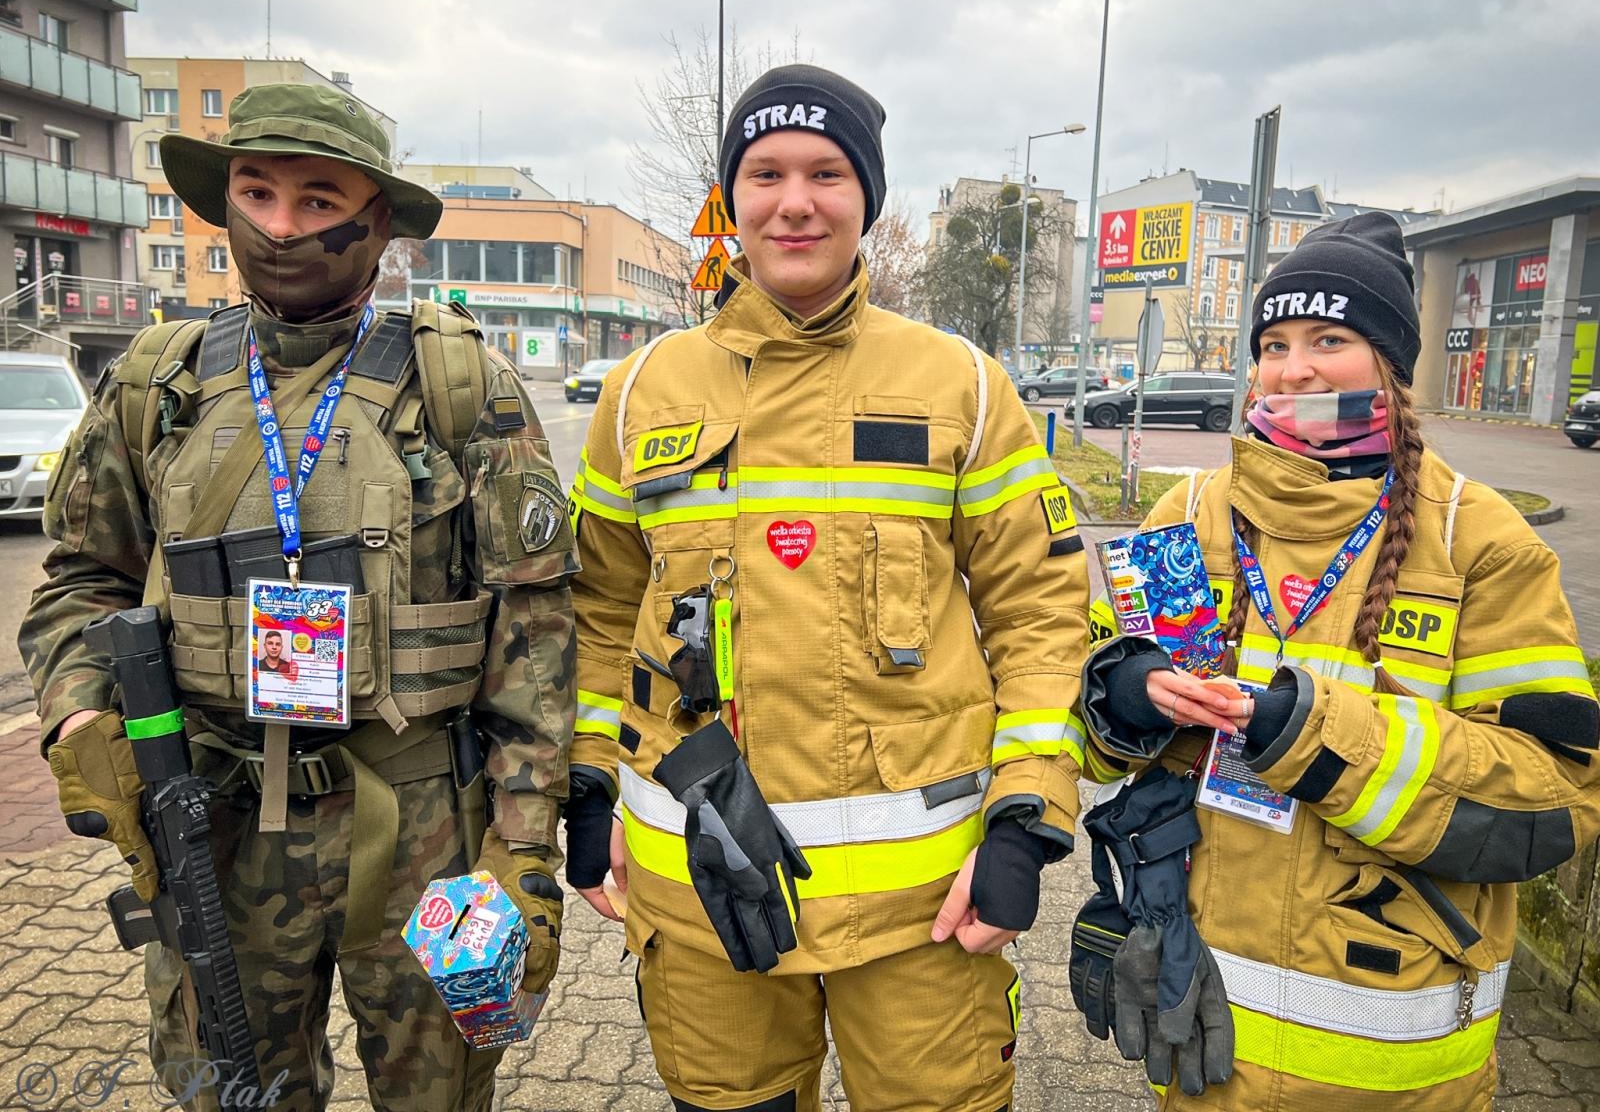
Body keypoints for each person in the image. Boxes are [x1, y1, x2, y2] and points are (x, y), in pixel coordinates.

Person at [19, 84, 577, 1111]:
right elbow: (81, 578)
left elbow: (533, 632)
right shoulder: (156, 384)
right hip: (216, 821)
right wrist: (79, 708)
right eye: (257, 193)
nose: (281, 227)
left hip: (420, 828)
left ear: (378, 222)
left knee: (441, 1097)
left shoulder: (459, 386)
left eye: (319, 200)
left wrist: (526, 841)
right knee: (233, 1091)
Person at [562, 63, 1091, 1111]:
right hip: (702, 894)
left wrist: (1026, 816)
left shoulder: (962, 386)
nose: (794, 202)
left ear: (867, 199)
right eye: (765, 174)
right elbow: (596, 611)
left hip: (922, 914)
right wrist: (585, 780)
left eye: (826, 173)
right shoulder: (639, 393)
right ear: (731, 199)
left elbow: (1040, 608)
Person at [1079, 212, 1600, 1110]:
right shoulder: (1188, 514)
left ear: (1390, 365)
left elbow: (1556, 798)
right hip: (1201, 1040)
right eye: (1274, 345)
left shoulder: (1477, 540)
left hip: (1400, 1073)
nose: (1296, 370)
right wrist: (1123, 693)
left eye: (1330, 340)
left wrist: (1312, 735)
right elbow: (1082, 712)